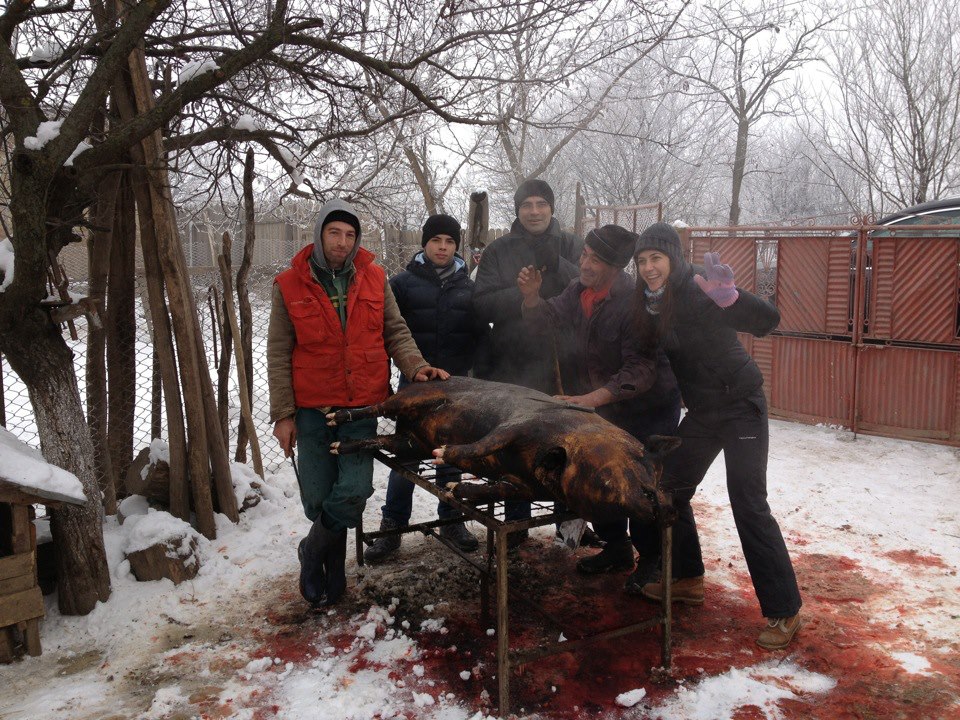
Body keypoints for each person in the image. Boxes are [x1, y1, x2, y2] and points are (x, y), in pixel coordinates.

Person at [630, 222, 803, 650]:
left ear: (674, 257)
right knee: (668, 489)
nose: (649, 267)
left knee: (748, 503)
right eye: (642, 260)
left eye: (657, 258)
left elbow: (768, 321)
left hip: (742, 406)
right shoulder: (654, 303)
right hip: (706, 413)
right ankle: (688, 579)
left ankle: (785, 609)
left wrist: (733, 298)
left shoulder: (699, 289)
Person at [268, 199, 449, 608]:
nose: (342, 242)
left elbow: (395, 331)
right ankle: (332, 570)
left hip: (362, 407)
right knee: (318, 497)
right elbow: (278, 353)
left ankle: (312, 551)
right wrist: (283, 414)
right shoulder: (288, 285)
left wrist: (416, 366)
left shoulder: (374, 278)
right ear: (319, 234)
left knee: (354, 488)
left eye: (350, 235)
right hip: (313, 407)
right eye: (334, 232)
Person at [517, 224, 681, 582]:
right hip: (604, 407)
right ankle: (616, 547)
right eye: (584, 255)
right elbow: (546, 323)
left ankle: (654, 561)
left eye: (596, 259)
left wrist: (593, 398)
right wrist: (532, 298)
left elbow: (640, 367)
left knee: (637, 485)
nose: (585, 265)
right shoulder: (577, 291)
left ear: (615, 266)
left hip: (647, 409)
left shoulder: (633, 301)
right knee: (599, 478)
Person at [363, 214, 486, 562]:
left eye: (449, 241)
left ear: (456, 246)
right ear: (424, 244)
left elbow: (479, 336)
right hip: (414, 384)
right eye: (436, 241)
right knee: (408, 454)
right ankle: (392, 526)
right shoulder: (401, 284)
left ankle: (452, 519)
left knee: (452, 453)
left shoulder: (469, 287)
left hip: (457, 384)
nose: (442, 247)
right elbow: (388, 333)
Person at [473, 179, 587, 546]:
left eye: (541, 204)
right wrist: (524, 294)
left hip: (566, 362)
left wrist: (563, 266)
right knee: (514, 444)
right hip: (512, 360)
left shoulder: (574, 245)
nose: (534, 211)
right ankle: (515, 528)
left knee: (566, 444)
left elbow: (595, 286)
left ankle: (569, 524)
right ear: (518, 211)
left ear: (551, 208)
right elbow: (482, 304)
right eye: (527, 205)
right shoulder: (498, 250)